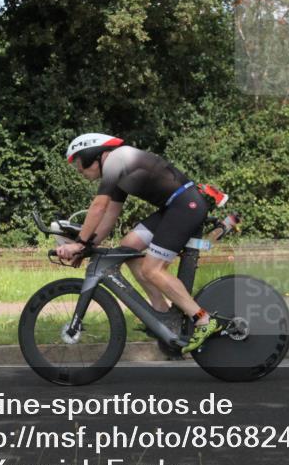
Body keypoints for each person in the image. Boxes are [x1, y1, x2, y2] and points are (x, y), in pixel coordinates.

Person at [56, 133, 221, 354]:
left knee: (152, 269)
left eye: (78, 163)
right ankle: (161, 314)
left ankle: (203, 319)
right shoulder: (117, 171)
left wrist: (79, 243)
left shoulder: (115, 160)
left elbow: (98, 207)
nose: (78, 170)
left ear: (91, 154)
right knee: (128, 247)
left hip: (184, 205)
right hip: (174, 206)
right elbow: (109, 217)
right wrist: (87, 247)